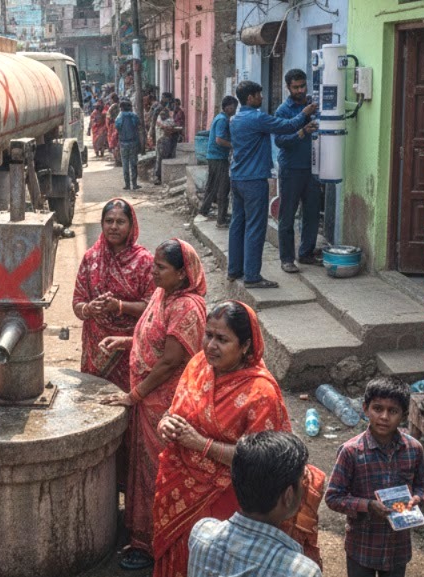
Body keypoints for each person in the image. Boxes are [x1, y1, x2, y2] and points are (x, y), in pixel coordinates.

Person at [153, 301, 326, 576]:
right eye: (208, 335)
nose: (211, 345)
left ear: (246, 346)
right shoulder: (198, 365)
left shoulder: (261, 392)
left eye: (222, 339)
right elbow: (176, 408)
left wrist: (200, 444)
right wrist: (166, 423)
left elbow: (262, 459)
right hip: (178, 484)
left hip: (227, 494)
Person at [99, 239, 207, 571]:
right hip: (149, 399)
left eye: (160, 267)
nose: (153, 270)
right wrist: (126, 341)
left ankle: (155, 543)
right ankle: (140, 533)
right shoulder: (163, 295)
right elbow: (152, 336)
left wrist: (134, 395)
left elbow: (170, 360)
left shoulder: (187, 307)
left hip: (165, 403)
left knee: (156, 473)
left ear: (181, 273)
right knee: (141, 470)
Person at [325, 376, 424, 577]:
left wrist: (418, 498)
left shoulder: (414, 450)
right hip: (362, 547)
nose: (384, 416)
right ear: (365, 409)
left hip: (397, 547)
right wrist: (368, 505)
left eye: (393, 411)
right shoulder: (351, 452)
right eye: (378, 408)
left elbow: (422, 486)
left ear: (404, 415)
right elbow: (333, 498)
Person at [187, 431, 322, 577]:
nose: (305, 486)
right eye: (303, 481)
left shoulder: (202, 533)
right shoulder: (303, 571)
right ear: (288, 496)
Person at [228, 80, 316, 289]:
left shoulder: (235, 118)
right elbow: (286, 126)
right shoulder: (256, 118)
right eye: (258, 95)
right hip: (254, 180)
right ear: (250, 98)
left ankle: (234, 269)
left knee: (237, 224)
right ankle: (252, 275)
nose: (261, 98)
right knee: (255, 227)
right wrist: (305, 113)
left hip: (237, 177)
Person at [73, 198, 154, 391]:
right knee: (95, 399)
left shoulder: (145, 261)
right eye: (109, 221)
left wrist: (119, 306)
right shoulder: (91, 257)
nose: (114, 227)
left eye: (120, 222)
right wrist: (89, 308)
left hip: (129, 346)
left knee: (129, 398)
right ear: (102, 224)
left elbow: (153, 309)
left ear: (131, 225)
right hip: (96, 346)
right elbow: (77, 302)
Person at [274, 69, 322, 274]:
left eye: (303, 86)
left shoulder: (312, 106)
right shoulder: (283, 111)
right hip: (291, 169)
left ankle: (306, 253)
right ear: (288, 88)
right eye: (296, 87)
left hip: (312, 169)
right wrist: (302, 131)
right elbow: (280, 140)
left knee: (311, 214)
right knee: (287, 215)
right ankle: (287, 259)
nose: (301, 90)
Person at [198, 96, 237, 228]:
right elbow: (219, 140)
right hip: (218, 157)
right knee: (223, 188)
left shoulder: (219, 118)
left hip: (213, 156)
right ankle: (221, 219)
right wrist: (233, 145)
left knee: (212, 185)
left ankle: (204, 210)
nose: (235, 110)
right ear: (228, 107)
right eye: (233, 107)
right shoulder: (223, 120)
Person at [116, 99, 143, 190]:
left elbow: (117, 127)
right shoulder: (134, 115)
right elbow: (138, 124)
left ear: (122, 108)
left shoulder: (119, 117)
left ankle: (127, 185)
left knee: (125, 164)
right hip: (133, 142)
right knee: (133, 163)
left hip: (123, 143)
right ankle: (134, 184)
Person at [154, 108, 182, 185]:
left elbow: (172, 128)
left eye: (163, 114)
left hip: (166, 141)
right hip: (160, 141)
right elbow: (165, 127)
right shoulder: (160, 119)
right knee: (159, 159)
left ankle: (162, 177)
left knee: (165, 158)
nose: (162, 116)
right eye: (161, 114)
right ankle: (157, 177)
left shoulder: (169, 120)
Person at [108, 94, 122, 166]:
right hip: (120, 126)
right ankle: (119, 160)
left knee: (114, 144)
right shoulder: (120, 106)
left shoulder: (112, 107)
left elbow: (109, 117)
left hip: (114, 126)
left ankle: (117, 160)